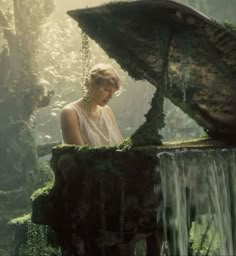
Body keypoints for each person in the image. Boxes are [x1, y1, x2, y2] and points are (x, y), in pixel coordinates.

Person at [60, 63, 123, 147]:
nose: (110, 96)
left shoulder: (107, 111)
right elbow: (79, 154)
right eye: (107, 90)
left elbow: (121, 145)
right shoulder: (70, 113)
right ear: (91, 85)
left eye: (113, 92)